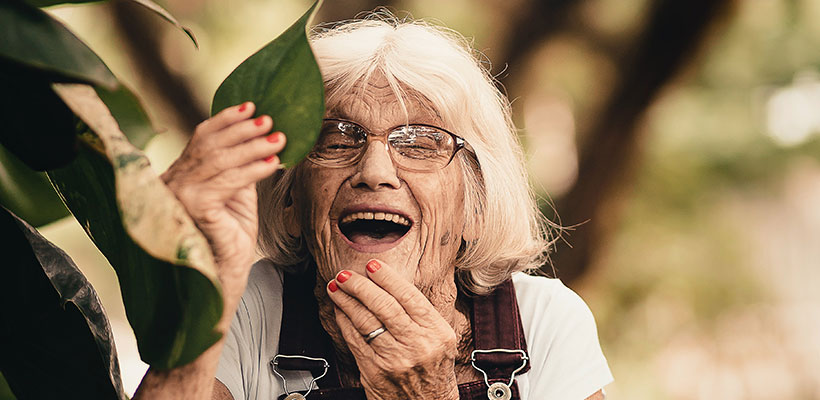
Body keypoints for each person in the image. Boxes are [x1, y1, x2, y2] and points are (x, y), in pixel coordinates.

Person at [134, 13, 613, 400]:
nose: (375, 170)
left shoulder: (543, 321)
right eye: (337, 138)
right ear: (291, 201)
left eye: (420, 142)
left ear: (475, 205)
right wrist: (206, 277)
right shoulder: (243, 305)